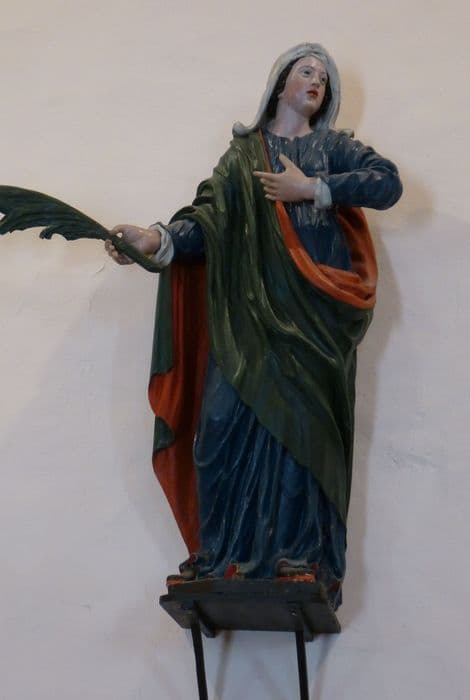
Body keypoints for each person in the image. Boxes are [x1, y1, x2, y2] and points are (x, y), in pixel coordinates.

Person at [106, 43, 402, 609]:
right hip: (244, 321)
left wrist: (312, 188)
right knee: (218, 426)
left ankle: (298, 557)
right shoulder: (242, 157)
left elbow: (387, 183)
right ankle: (219, 554)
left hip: (313, 323)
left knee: (300, 438)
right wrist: (154, 239)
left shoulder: (332, 147)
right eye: (305, 71)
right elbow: (206, 224)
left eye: (324, 77)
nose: (315, 81)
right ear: (280, 82)